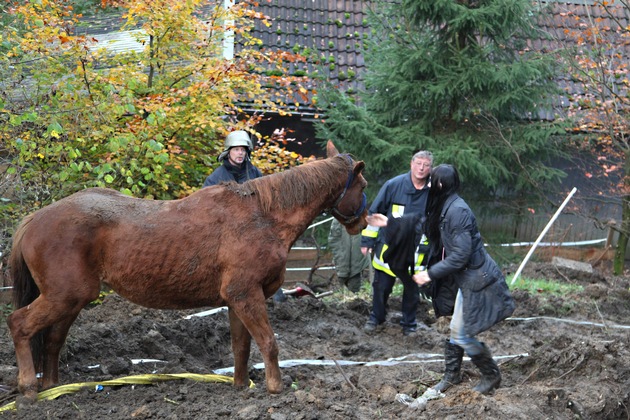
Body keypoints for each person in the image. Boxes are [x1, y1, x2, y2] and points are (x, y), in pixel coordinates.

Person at [367, 163, 515, 395]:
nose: (426, 185)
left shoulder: (458, 211)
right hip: (463, 279)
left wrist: (430, 273)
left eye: (430, 181)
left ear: (439, 184)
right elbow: (421, 223)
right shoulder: (444, 206)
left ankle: (490, 375)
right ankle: (452, 375)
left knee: (461, 333)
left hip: (477, 280)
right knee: (457, 330)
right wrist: (389, 222)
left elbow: (461, 255)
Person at [203, 130, 286, 302]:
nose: (240, 153)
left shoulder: (255, 174)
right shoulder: (214, 179)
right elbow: (207, 210)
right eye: (236, 149)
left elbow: (267, 202)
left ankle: (273, 294)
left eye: (243, 149)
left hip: (254, 231)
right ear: (228, 152)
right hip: (226, 235)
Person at [361, 150, 433, 336]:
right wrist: (368, 240)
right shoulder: (393, 185)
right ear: (411, 164)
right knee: (381, 287)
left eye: (426, 165)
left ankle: (409, 324)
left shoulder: (434, 191)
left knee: (412, 290)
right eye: (418, 163)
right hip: (389, 248)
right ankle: (376, 317)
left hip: (417, 252)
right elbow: (375, 213)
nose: (421, 168)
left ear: (430, 168)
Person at [327, 218, 369, 293]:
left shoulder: (361, 216)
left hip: (357, 265)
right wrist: (339, 258)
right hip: (342, 263)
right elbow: (333, 240)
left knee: (354, 291)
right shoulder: (338, 219)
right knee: (338, 292)